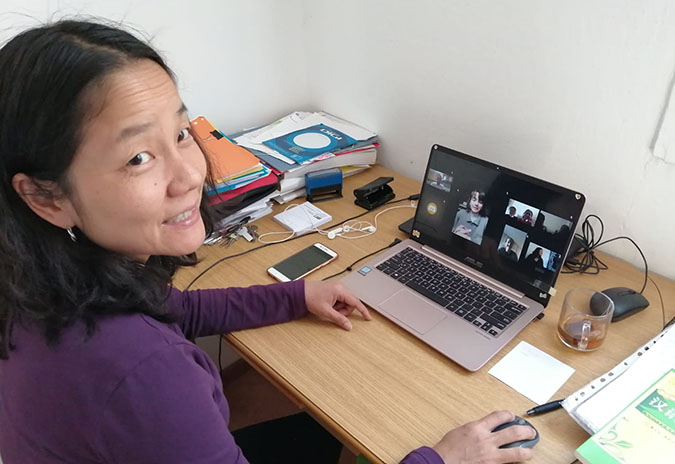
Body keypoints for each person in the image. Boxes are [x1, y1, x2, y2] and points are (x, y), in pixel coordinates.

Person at [0, 20, 535, 464]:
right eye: (138, 156)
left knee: (328, 432)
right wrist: (444, 460)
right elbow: (151, 359)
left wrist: (298, 296)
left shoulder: (43, 285)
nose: (189, 174)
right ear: (46, 197)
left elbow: (175, 307)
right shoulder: (142, 373)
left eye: (182, 133)